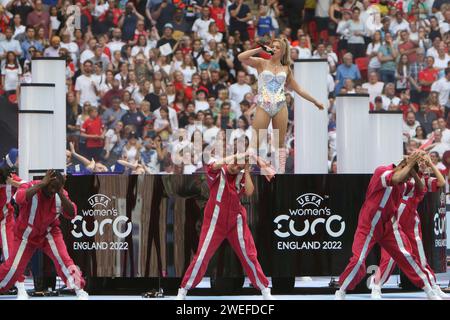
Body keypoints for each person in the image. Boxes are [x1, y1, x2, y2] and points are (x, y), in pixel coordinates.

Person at [335, 151, 443, 300]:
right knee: (358, 260)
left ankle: (429, 290)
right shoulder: (382, 171)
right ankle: (342, 290)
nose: (408, 180)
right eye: (408, 175)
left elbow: (420, 188)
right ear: (401, 166)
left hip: (389, 226)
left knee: (407, 256)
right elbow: (396, 177)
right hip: (369, 225)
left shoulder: (403, 184)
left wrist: (412, 170)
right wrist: (410, 164)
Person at [176, 142, 273, 300]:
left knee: (250, 255)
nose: (236, 168)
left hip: (236, 220)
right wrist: (239, 156)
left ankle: (264, 290)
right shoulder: (217, 169)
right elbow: (215, 164)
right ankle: (183, 290)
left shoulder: (242, 174)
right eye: (235, 165)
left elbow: (249, 191)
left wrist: (246, 169)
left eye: (240, 167)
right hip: (215, 220)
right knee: (201, 257)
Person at [237, 38, 324, 174]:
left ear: (283, 51)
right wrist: (260, 49)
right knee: (256, 141)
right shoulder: (261, 63)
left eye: (278, 47)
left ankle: (280, 172)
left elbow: (298, 88)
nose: (274, 49)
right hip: (263, 104)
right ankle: (245, 171)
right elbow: (241, 57)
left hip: (280, 105)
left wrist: (315, 101)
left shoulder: (286, 68)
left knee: (280, 142)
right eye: (273, 46)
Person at [0, 170, 89, 300]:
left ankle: (79, 290)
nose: (52, 190)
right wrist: (41, 184)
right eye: (51, 186)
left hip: (49, 233)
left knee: (64, 260)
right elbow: (19, 198)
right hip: (26, 234)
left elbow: (71, 213)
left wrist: (61, 192)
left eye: (56, 188)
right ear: (45, 182)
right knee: (13, 268)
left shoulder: (60, 193)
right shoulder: (33, 186)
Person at [371, 153, 448, 299]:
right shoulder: (400, 176)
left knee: (420, 258)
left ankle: (433, 286)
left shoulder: (424, 180)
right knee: (389, 258)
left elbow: (441, 183)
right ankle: (376, 287)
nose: (424, 164)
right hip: (394, 222)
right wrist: (410, 163)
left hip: (411, 223)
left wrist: (431, 164)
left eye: (425, 162)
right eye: (422, 161)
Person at [0, 149, 28, 299]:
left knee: (12, 253)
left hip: (6, 220)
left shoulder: (11, 176)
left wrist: (12, 182)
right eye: (17, 158)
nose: (19, 161)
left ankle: (21, 287)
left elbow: (27, 185)